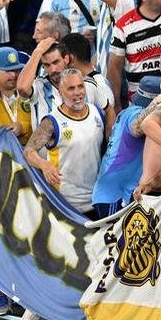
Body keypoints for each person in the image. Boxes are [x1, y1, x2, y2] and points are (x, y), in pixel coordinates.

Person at [23, 67, 105, 215]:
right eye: (71, 88)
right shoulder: (51, 122)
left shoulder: (96, 112)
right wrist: (44, 165)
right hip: (65, 203)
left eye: (80, 86)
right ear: (61, 93)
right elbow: (28, 151)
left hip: (96, 198)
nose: (77, 92)